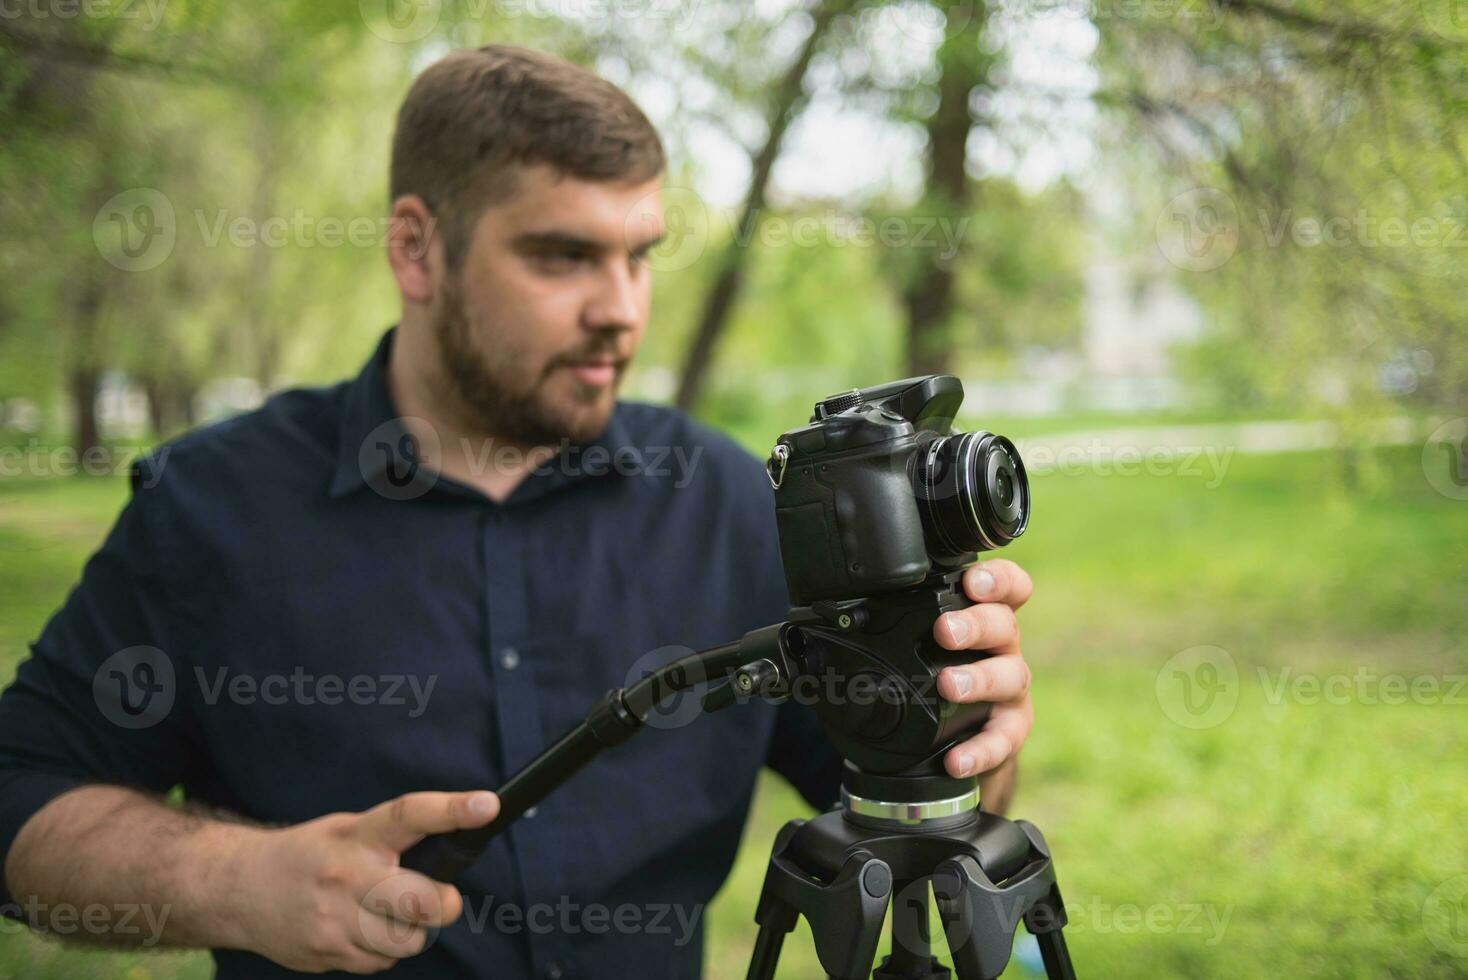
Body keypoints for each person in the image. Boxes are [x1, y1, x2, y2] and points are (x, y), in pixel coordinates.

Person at [0, 45, 1036, 979]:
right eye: (562, 256)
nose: (621, 308)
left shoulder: (728, 499)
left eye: (638, 254)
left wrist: (963, 722)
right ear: (416, 250)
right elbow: (22, 793)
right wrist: (238, 879)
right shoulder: (211, 507)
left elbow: (910, 811)